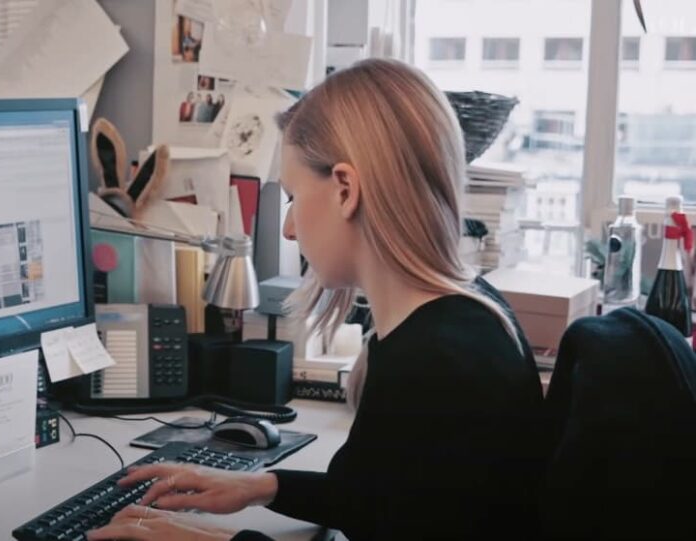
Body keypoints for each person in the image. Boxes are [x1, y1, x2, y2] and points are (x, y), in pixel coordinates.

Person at [87, 58, 545, 541]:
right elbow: (397, 499)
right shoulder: (462, 313)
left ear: (345, 189)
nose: (287, 226)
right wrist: (261, 487)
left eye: (291, 196)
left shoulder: (439, 361)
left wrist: (202, 540)